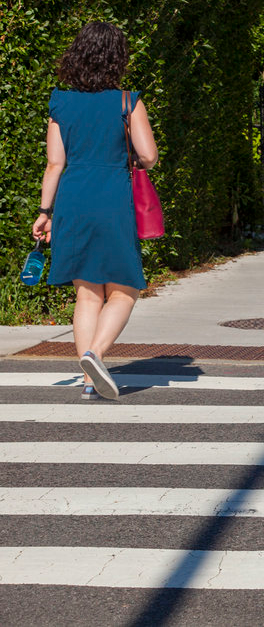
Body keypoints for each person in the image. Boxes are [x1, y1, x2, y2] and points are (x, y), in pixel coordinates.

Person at [31, 21, 159, 401]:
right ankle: (95, 355)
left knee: (87, 295)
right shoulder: (127, 101)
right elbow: (149, 156)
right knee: (126, 288)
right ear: (117, 59)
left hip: (73, 198)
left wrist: (45, 212)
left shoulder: (60, 102)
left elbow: (54, 164)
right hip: (113, 198)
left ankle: (89, 382)